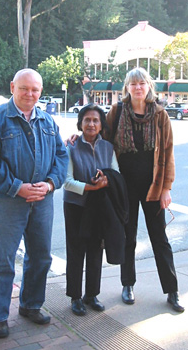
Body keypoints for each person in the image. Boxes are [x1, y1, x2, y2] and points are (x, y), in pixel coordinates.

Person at [0, 68, 69, 338]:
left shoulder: (49, 122)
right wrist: (18, 188)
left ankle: (30, 305)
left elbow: (62, 158)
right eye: (24, 88)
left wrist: (50, 183)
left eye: (35, 90)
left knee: (40, 256)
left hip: (42, 200)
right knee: (2, 260)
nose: (30, 94)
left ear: (40, 91)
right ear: (12, 86)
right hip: (6, 201)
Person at [104, 67, 184, 312]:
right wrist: (76, 139)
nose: (138, 88)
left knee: (159, 237)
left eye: (142, 83)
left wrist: (166, 188)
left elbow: (168, 154)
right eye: (133, 84)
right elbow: (102, 141)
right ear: (127, 88)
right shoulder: (116, 112)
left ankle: (172, 289)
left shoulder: (160, 115)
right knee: (128, 237)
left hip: (153, 186)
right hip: (124, 186)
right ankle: (127, 284)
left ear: (149, 86)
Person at [63, 104, 128, 316]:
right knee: (75, 251)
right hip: (76, 206)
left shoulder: (108, 148)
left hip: (99, 206)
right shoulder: (71, 147)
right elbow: (67, 181)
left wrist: (106, 179)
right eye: (87, 120)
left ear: (101, 125)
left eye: (96, 120)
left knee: (95, 250)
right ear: (80, 123)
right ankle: (75, 297)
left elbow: (116, 174)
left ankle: (91, 294)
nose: (91, 124)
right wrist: (91, 186)